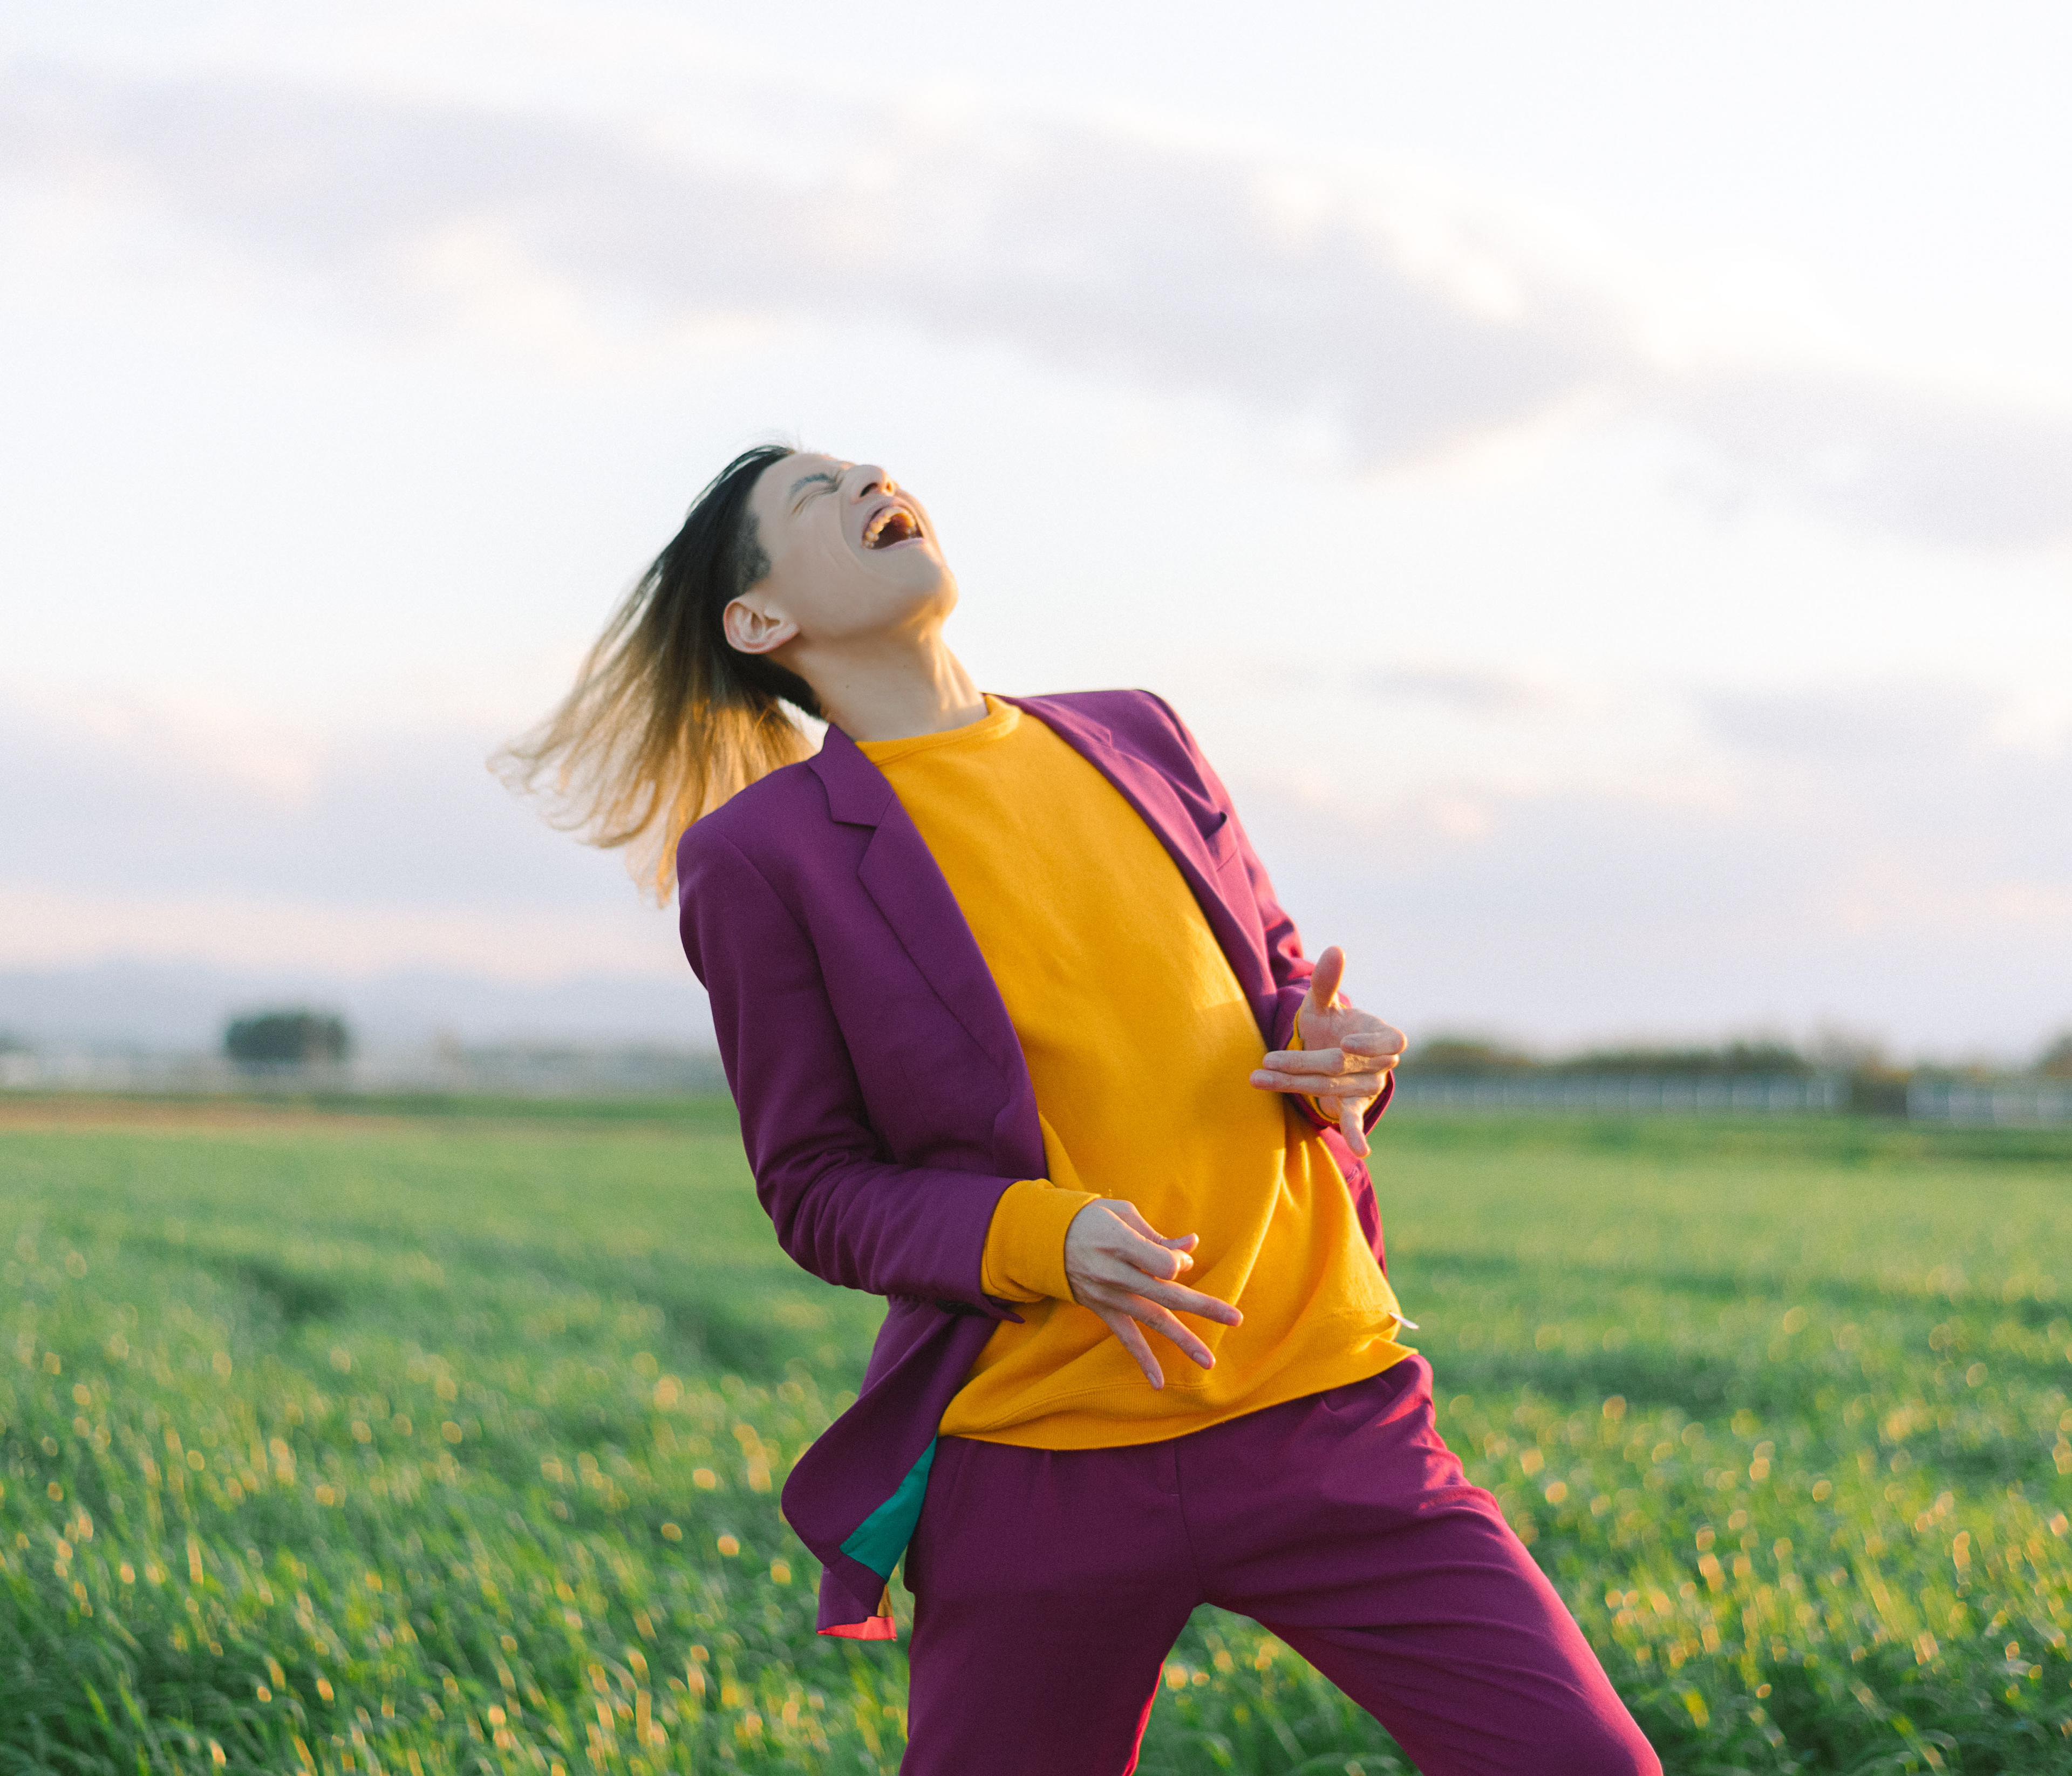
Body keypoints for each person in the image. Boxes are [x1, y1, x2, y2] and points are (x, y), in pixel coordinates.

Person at [502, 444, 1659, 1776]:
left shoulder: (1141, 733)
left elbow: (1277, 990)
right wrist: (1043, 1236)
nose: (869, 477)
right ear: (761, 621)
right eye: (815, 493)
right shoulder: (766, 857)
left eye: (866, 466)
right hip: (1040, 1461)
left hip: (1327, 1403)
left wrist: (1337, 1058)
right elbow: (815, 1185)